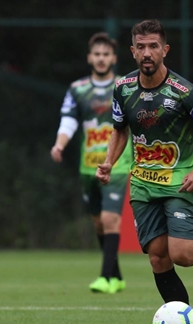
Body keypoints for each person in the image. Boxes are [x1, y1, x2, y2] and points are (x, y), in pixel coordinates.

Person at [95, 20, 193, 324]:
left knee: (184, 256)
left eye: (153, 46)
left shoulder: (186, 93)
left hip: (179, 184)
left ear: (165, 50)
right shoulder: (123, 88)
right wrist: (108, 161)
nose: (147, 53)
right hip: (143, 187)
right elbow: (119, 129)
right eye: (141, 47)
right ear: (132, 51)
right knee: (158, 257)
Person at [51, 32, 133, 294]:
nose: (101, 58)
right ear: (89, 57)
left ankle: (105, 277)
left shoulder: (125, 86)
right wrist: (59, 144)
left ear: (114, 58)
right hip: (88, 166)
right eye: (96, 54)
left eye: (105, 54)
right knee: (98, 222)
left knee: (110, 219)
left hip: (117, 164)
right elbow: (69, 120)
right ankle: (117, 276)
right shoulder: (77, 89)